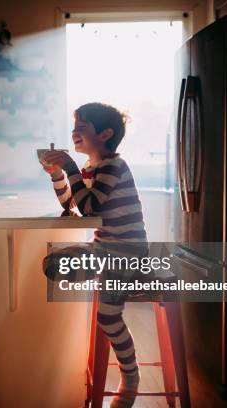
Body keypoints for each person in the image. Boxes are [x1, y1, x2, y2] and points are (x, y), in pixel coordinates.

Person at [41, 102, 147, 408]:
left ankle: (131, 377)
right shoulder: (91, 169)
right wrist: (58, 174)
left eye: (81, 127)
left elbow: (90, 208)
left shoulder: (114, 166)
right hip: (105, 248)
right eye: (74, 126)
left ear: (105, 134)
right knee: (53, 262)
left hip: (127, 251)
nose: (74, 132)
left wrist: (71, 168)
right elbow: (71, 205)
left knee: (107, 316)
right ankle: (101, 274)